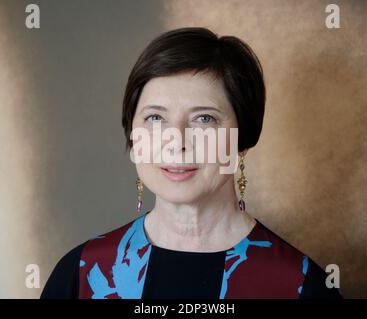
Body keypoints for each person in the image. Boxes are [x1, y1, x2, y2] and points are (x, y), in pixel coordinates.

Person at [41, 27, 342, 299]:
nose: (177, 141)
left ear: (243, 139)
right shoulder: (80, 275)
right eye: (155, 118)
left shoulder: (301, 285)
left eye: (204, 118)